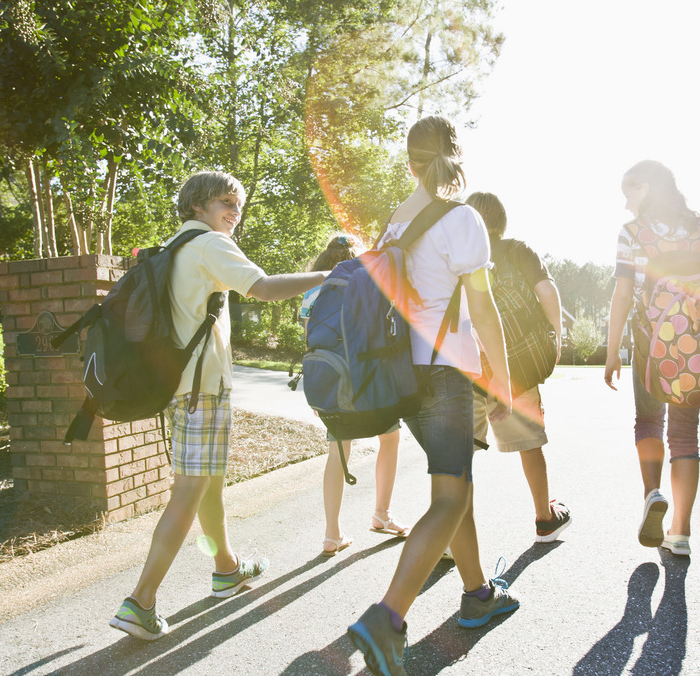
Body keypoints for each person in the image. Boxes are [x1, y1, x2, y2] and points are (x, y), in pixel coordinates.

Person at [109, 171, 330, 640]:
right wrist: (332, 275)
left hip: (182, 388)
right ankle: (140, 601)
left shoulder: (174, 248)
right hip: (202, 391)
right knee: (191, 489)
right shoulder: (210, 245)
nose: (234, 211)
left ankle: (226, 568)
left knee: (209, 486)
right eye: (224, 202)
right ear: (197, 205)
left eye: (238, 205)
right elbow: (264, 287)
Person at [347, 116, 519, 676]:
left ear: (409, 161)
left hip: (402, 377)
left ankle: (477, 593)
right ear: (455, 154)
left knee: (456, 482)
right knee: (449, 496)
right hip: (447, 375)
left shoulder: (394, 223)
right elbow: (484, 306)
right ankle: (387, 618)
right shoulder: (463, 218)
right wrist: (505, 377)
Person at [603, 160, 700, 558]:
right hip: (699, 346)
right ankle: (681, 532)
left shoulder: (633, 233)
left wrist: (612, 352)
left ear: (649, 188)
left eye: (631, 192)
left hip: (652, 340)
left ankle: (651, 495)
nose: (626, 204)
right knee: (685, 435)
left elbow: (623, 295)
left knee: (648, 420)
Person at [465, 191, 572, 544]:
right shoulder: (517, 250)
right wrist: (555, 336)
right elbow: (547, 291)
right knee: (530, 445)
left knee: (458, 453)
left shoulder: (460, 257)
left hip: (468, 367)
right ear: (501, 220)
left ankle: (452, 535)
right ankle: (545, 518)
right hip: (516, 364)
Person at [300, 233, 410, 556]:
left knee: (338, 451)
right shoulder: (362, 282)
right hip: (365, 378)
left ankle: (331, 534)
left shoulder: (313, 291)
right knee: (390, 438)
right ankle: (382, 514)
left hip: (329, 379)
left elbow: (309, 338)